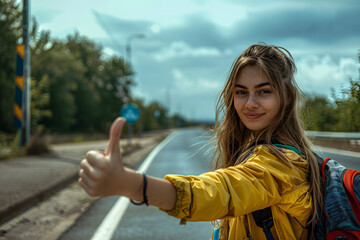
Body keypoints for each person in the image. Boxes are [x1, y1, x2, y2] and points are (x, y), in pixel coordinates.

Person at [78, 44, 322, 239]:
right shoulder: (260, 153)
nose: (250, 103)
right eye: (241, 92)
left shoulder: (282, 166)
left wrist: (130, 184)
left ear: (287, 96)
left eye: (264, 91)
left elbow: (218, 193)